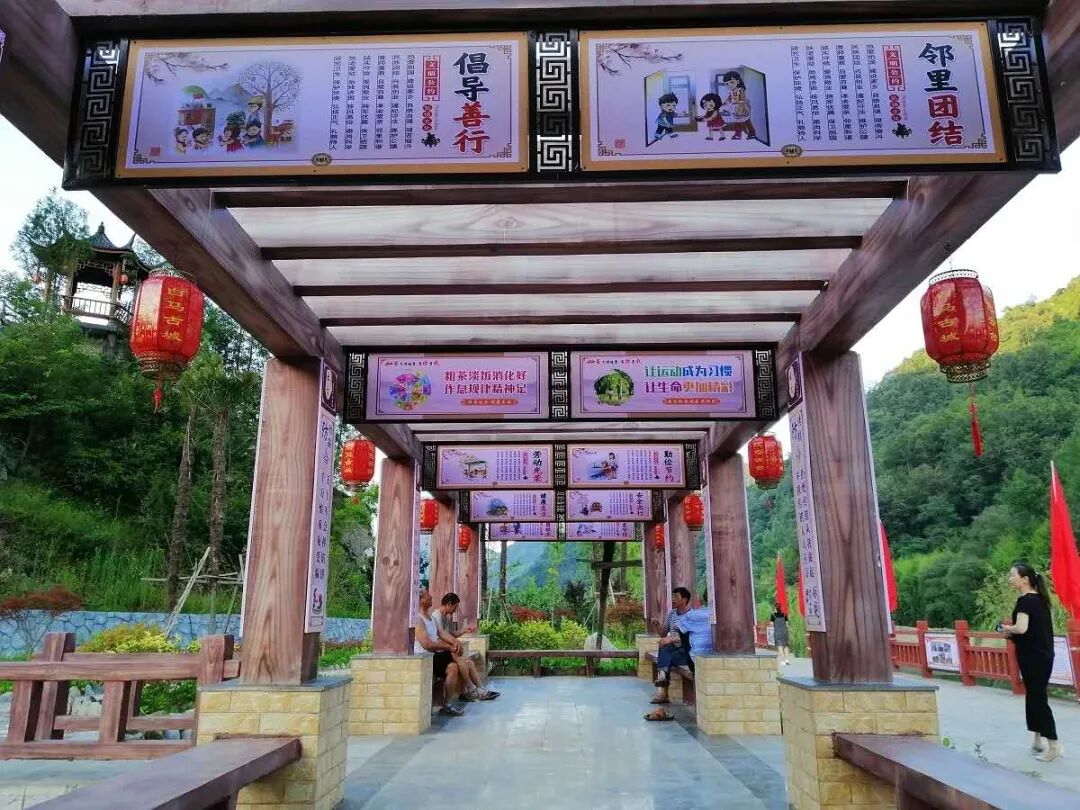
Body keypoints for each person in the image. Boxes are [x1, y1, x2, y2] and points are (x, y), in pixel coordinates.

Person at [1002, 563, 1062, 761]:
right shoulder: (1040, 600)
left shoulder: (1025, 601)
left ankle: (1053, 744)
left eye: (1013, 575)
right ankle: (1037, 739)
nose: (1010, 579)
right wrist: (1012, 633)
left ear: (1025, 579)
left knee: (1038, 698)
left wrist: (1007, 629)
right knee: (1034, 695)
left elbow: (1021, 628)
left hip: (1033, 657)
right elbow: (1033, 631)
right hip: (1042, 655)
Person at [434, 592, 499, 701]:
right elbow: (439, 637)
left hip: (447, 651)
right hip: (440, 652)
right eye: (455, 607)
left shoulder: (445, 618)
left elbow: (452, 633)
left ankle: (480, 689)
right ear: (449, 604)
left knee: (469, 663)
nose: (455, 610)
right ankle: (472, 690)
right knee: (462, 662)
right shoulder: (436, 617)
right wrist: (454, 643)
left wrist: (465, 630)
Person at [645, 587, 697, 721]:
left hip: (686, 651)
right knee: (663, 645)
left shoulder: (692, 615)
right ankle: (662, 676)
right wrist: (657, 625)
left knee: (665, 652)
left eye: (676, 597)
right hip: (672, 649)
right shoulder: (672, 614)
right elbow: (663, 633)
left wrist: (671, 639)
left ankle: (662, 690)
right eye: (673, 596)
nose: (673, 599)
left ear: (684, 599)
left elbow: (690, 637)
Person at [414, 588, 464, 716]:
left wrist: (455, 642)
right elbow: (427, 644)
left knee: (453, 667)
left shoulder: (431, 617)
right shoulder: (418, 619)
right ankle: (470, 688)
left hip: (434, 656)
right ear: (421, 600)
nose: (431, 597)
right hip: (424, 657)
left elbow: (441, 633)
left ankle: (446, 705)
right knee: (454, 659)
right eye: (428, 596)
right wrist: (449, 647)